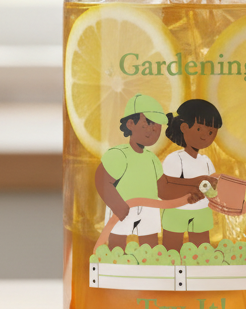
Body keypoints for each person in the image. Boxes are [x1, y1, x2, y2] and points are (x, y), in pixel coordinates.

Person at [94, 94, 205, 251]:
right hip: (122, 207)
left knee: (150, 246)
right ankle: (114, 263)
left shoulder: (152, 159)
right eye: (149, 122)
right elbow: (102, 179)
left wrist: (191, 189)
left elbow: (164, 188)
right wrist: (117, 205)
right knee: (117, 244)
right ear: (130, 123)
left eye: (158, 125)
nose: (154, 129)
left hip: (148, 210)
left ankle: (150, 263)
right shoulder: (119, 154)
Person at [159, 99, 225, 252]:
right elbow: (166, 186)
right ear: (184, 127)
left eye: (210, 132)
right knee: (171, 248)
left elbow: (212, 189)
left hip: (201, 212)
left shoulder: (206, 161)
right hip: (176, 211)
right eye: (199, 129)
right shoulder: (174, 159)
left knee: (202, 249)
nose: (205, 136)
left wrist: (214, 190)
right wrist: (192, 187)